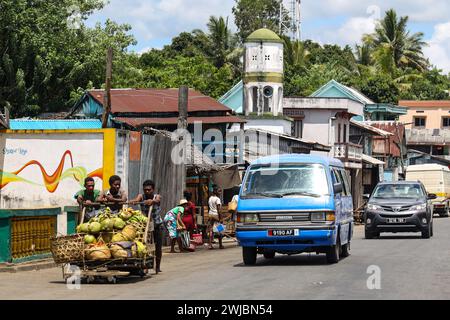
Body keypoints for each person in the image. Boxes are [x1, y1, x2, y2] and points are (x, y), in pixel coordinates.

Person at [130, 180, 163, 274]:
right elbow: (137, 199)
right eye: (145, 190)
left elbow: (157, 200)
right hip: (146, 225)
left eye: (149, 190)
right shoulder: (141, 196)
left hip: (157, 224)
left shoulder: (156, 196)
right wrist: (134, 202)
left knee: (158, 246)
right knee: (144, 245)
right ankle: (145, 265)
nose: (147, 192)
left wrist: (152, 201)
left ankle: (158, 266)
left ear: (153, 189)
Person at [207, 185, 224, 250]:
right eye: (219, 191)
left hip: (210, 214)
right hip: (216, 215)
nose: (220, 192)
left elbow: (209, 207)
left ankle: (210, 245)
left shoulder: (210, 198)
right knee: (220, 229)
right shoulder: (217, 199)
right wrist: (221, 218)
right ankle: (220, 245)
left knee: (210, 230)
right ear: (215, 192)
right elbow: (219, 209)